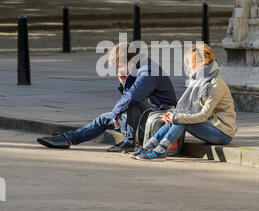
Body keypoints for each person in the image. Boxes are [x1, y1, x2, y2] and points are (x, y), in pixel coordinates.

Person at [37, 42, 177, 153]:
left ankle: (129, 142)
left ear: (129, 60)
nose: (119, 70)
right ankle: (67, 139)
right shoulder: (138, 68)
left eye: (120, 65)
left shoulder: (148, 71)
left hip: (159, 120)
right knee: (104, 118)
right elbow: (130, 100)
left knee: (131, 100)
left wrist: (116, 113)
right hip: (144, 120)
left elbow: (133, 98)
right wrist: (124, 82)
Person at [129, 44, 237, 161]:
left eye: (190, 63)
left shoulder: (215, 84)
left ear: (200, 63)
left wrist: (176, 118)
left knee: (181, 120)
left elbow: (203, 115)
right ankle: (148, 147)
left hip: (223, 132)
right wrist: (173, 114)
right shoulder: (199, 80)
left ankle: (160, 150)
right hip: (210, 125)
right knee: (178, 118)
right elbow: (189, 110)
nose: (188, 67)